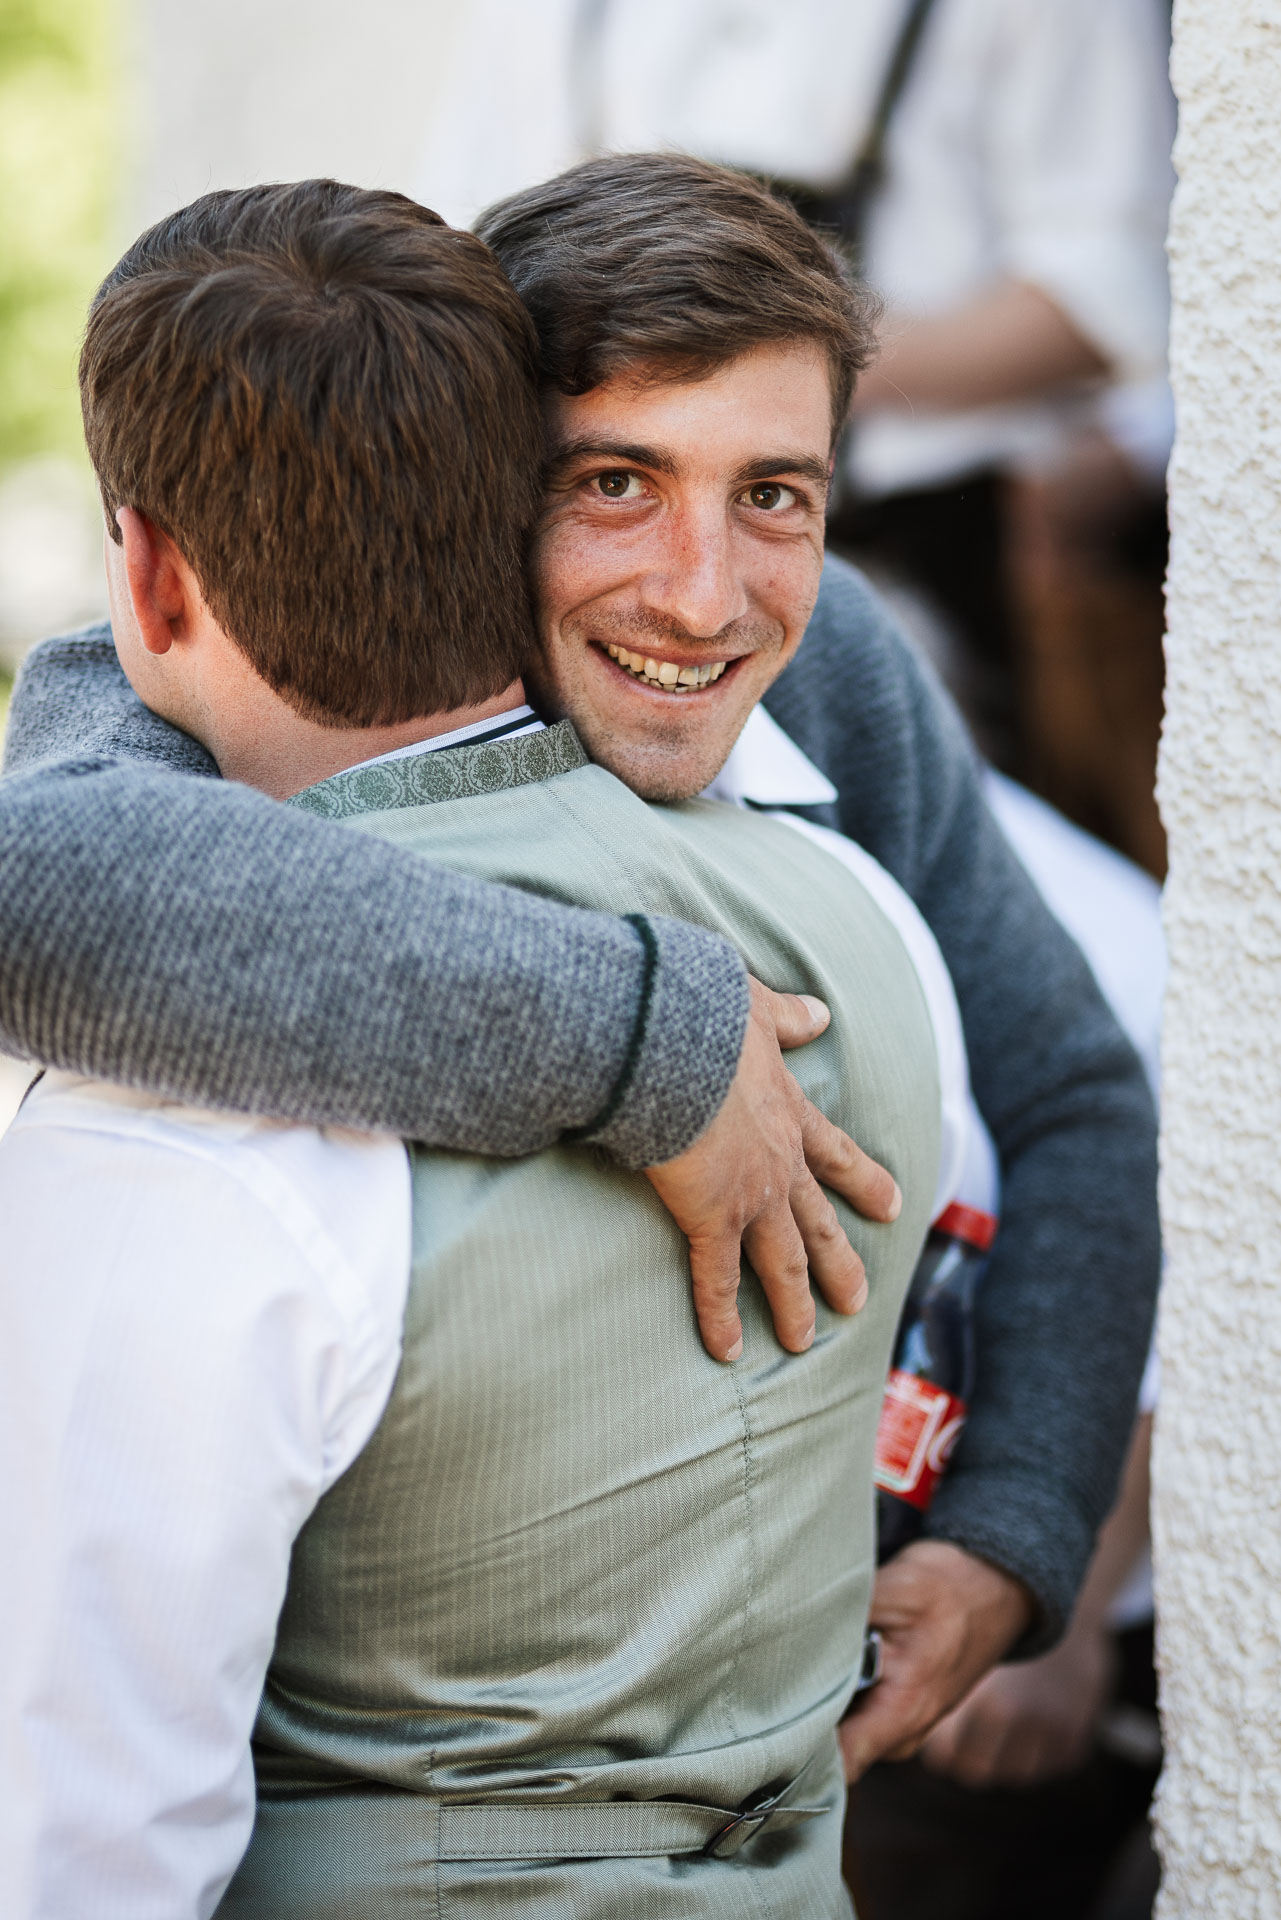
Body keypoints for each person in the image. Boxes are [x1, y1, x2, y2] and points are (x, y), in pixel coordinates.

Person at [0, 156, 1160, 1767]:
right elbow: (34, 884)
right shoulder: (256, 639)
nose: (702, 597)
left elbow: (1079, 1094)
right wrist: (645, 1034)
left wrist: (1014, 1537)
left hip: (832, 1656)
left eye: (774, 493)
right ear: (474, 480)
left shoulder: (836, 663)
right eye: (616, 481)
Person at [416, 0, 1175, 771]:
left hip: (941, 545)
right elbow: (460, 267)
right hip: (576, 546)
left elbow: (1110, 292)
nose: (703, 603)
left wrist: (779, 384)